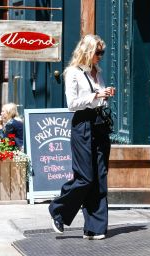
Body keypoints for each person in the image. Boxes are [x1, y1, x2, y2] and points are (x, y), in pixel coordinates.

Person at [49, 34, 115, 240]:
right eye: (98, 52)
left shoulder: (98, 72)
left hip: (100, 124)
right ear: (87, 51)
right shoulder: (73, 73)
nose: (100, 56)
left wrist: (105, 94)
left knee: (99, 177)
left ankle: (95, 227)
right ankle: (58, 211)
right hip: (82, 124)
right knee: (85, 177)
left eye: (102, 52)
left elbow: (98, 100)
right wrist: (95, 96)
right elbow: (72, 104)